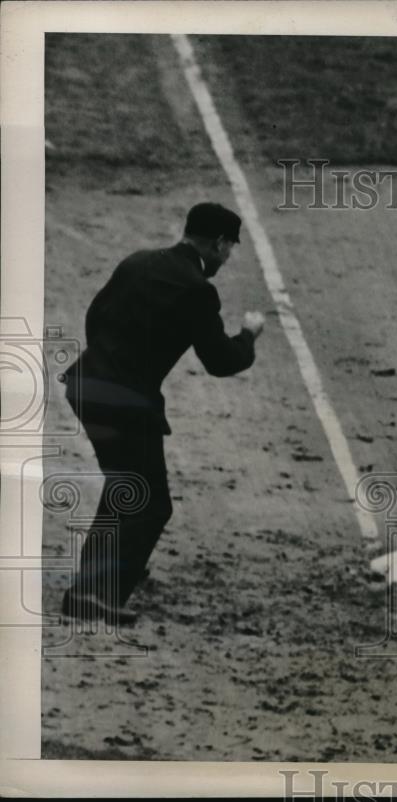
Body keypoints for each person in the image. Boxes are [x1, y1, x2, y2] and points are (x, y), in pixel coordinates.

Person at [60, 202, 265, 625]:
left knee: (126, 487)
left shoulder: (137, 262)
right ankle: (99, 594)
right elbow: (221, 361)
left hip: (85, 385)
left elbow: (94, 317)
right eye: (228, 250)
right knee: (150, 503)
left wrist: (111, 361)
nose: (227, 259)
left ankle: (92, 586)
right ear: (219, 243)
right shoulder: (197, 290)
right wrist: (248, 335)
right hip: (126, 403)